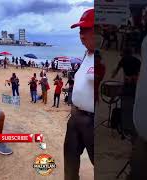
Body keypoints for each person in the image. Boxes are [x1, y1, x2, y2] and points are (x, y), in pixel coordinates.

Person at [64, 8, 103, 180]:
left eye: (86, 30)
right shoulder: (86, 54)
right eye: (80, 31)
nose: (81, 35)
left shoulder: (103, 57)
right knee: (70, 158)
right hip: (75, 117)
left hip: (91, 121)